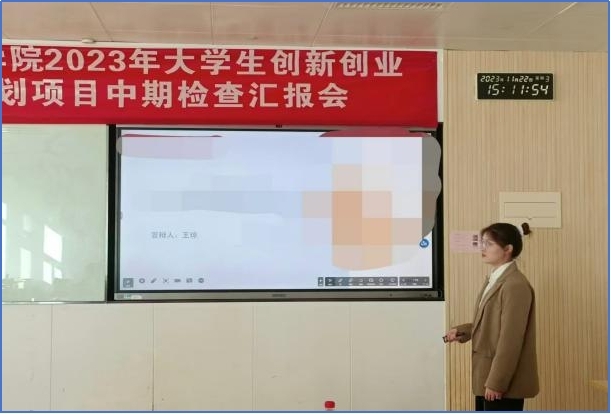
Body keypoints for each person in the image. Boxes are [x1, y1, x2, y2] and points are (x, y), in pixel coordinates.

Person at [444, 222, 538, 411]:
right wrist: (463, 331)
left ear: (508, 249)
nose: (482, 248)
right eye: (482, 243)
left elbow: (511, 339)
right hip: (487, 376)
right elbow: (492, 323)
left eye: (489, 244)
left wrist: (497, 382)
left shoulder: (515, 285)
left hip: (502, 384)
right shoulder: (495, 279)